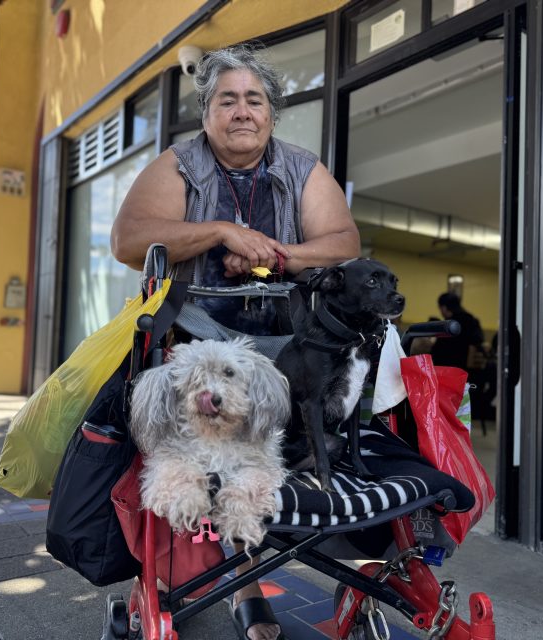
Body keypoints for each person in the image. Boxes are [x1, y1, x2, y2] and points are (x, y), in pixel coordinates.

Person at [112, 44, 360, 640]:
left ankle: (244, 576)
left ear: (271, 112)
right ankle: (163, 575)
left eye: (254, 99)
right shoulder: (180, 164)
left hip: (280, 343)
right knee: (161, 431)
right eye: (227, 99)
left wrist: (278, 254)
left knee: (290, 425)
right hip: (196, 337)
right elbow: (129, 238)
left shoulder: (301, 166)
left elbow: (344, 243)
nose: (241, 111)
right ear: (207, 114)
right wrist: (223, 230)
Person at [430, 292, 484, 370]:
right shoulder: (471, 319)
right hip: (468, 370)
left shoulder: (449, 324)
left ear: (444, 308)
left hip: (450, 368)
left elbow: (438, 350)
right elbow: (478, 340)